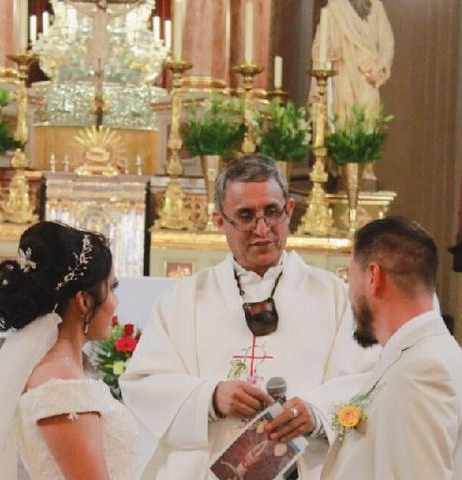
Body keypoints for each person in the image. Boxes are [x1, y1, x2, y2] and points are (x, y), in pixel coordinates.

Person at [120, 154, 378, 479]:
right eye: (246, 216)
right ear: (219, 221)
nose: (262, 228)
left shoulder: (336, 298)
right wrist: (211, 397)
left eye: (272, 212)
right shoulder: (182, 301)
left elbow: (371, 380)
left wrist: (316, 411)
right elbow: (142, 385)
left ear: (290, 212)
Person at [0, 221, 138, 480]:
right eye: (112, 288)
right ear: (84, 301)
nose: (116, 302)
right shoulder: (61, 385)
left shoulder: (60, 372)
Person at [320, 217, 462, 479]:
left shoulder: (422, 371)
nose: (349, 292)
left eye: (351, 277)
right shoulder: (419, 355)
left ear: (373, 276)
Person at [310, 0, 395, 127]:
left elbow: (387, 44)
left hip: (366, 78)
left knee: (367, 126)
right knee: (341, 124)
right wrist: (334, 48)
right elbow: (319, 49)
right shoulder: (334, 8)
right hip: (341, 76)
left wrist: (380, 67)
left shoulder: (376, 6)